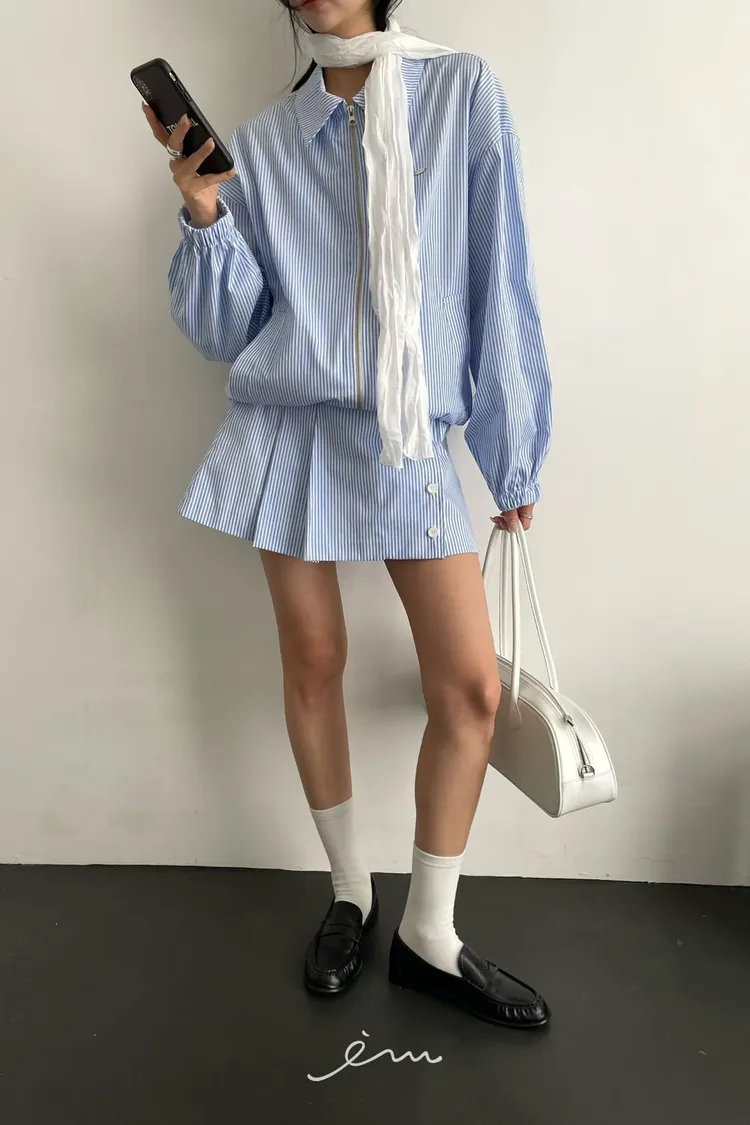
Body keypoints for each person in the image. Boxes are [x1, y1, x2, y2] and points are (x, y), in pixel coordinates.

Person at [143, 0, 552, 1028]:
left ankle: (430, 932)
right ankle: (350, 895)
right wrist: (204, 210)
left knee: (470, 690)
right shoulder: (265, 142)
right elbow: (229, 327)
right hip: (292, 432)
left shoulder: (460, 92)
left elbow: (498, 276)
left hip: (407, 437)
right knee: (314, 663)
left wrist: (512, 449)